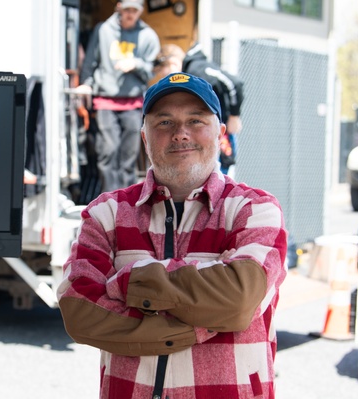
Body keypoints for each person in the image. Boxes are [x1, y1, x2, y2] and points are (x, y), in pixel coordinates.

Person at [57, 72, 287, 398]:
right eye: (164, 122)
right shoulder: (105, 214)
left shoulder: (255, 209)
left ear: (220, 133)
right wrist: (205, 318)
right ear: (144, 137)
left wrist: (126, 281)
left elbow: (239, 299)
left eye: (196, 120)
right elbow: (79, 312)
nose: (181, 134)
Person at [77, 0, 160, 193]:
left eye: (135, 11)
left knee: (128, 157)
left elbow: (152, 70)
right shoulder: (104, 30)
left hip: (132, 102)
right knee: (107, 152)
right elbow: (91, 60)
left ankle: (128, 203)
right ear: (119, 8)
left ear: (140, 11)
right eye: (127, 10)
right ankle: (110, 200)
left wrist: (136, 64)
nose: (130, 14)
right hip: (106, 100)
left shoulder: (147, 36)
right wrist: (86, 83)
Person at [181, 41, 245, 174]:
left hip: (218, 130)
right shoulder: (193, 69)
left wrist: (234, 116)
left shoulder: (199, 68)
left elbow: (234, 83)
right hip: (211, 129)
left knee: (217, 175)